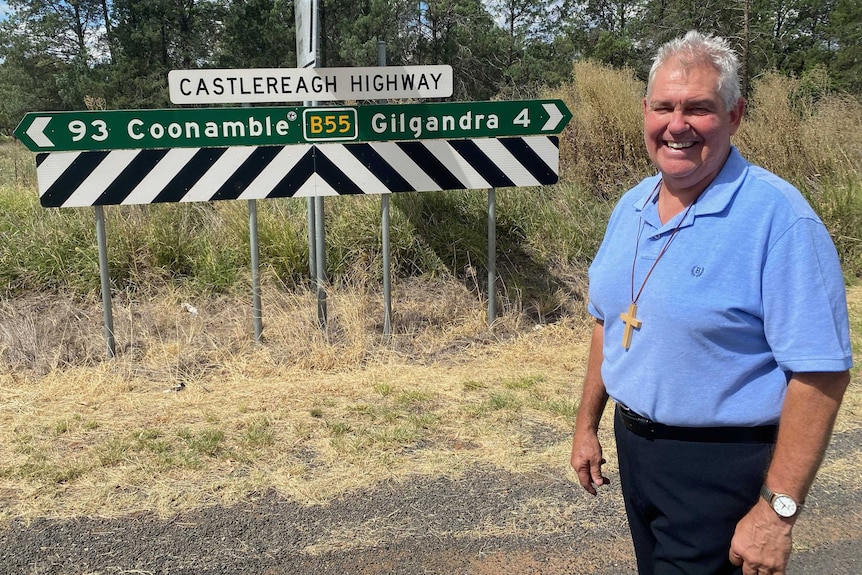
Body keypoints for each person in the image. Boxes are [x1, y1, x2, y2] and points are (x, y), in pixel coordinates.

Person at [569, 30, 853, 575]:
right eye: (663, 107)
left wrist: (776, 514)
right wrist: (587, 425)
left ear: (735, 115)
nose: (677, 125)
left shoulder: (779, 220)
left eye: (699, 108)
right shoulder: (631, 205)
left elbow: (820, 373)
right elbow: (608, 322)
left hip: (724, 468)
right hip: (638, 451)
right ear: (645, 111)